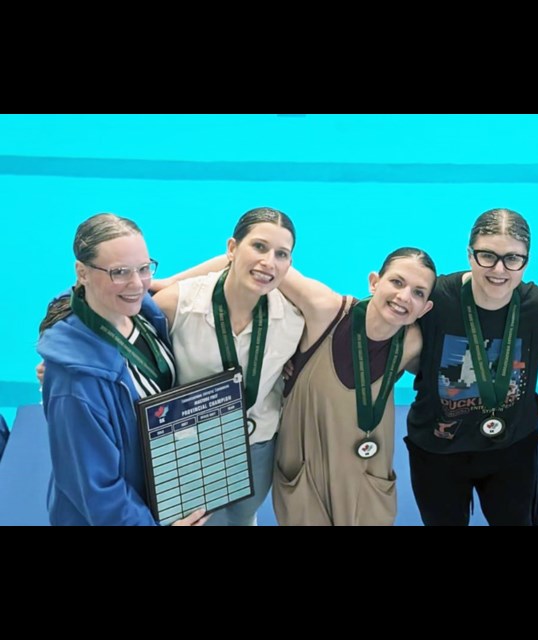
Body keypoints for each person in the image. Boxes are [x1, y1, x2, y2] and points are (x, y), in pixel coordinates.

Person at [36, 213, 207, 526]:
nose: (137, 284)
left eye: (144, 269)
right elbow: (98, 492)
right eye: (119, 272)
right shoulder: (75, 383)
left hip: (158, 496)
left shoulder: (143, 315)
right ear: (82, 273)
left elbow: (232, 265)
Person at [405, 208, 538, 526]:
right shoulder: (435, 300)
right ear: (469, 253)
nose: (499, 270)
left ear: (527, 260)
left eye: (512, 258)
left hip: (512, 449)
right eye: (487, 256)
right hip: (437, 447)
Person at [151, 207, 305, 526]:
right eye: (259, 247)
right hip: (188, 447)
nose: (268, 262)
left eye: (281, 254)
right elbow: (120, 327)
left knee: (243, 517)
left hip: (257, 443)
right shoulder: (178, 303)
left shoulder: (295, 320)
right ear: (232, 248)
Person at [272, 248, 437, 525]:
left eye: (419, 293)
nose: (404, 297)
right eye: (397, 282)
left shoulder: (412, 344)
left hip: (368, 487)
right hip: (306, 481)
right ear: (374, 282)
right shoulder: (326, 312)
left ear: (425, 308)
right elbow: (248, 260)